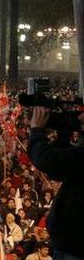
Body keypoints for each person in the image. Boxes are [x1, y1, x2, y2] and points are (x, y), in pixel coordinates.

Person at [28, 106, 84, 258]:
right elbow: (58, 172)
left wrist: (37, 131)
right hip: (68, 246)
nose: (79, 118)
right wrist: (63, 136)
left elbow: (44, 160)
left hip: (76, 248)